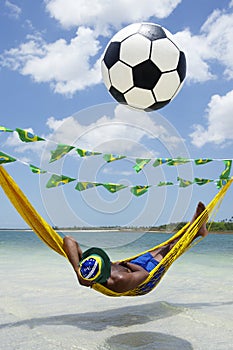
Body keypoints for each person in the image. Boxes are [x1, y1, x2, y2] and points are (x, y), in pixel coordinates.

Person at [63, 202, 208, 293]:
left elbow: (68, 240)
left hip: (133, 267)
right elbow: (145, 274)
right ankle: (197, 232)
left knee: (166, 245)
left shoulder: (87, 269)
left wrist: (77, 271)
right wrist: (126, 264)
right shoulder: (118, 280)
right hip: (145, 278)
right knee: (171, 249)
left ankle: (193, 226)